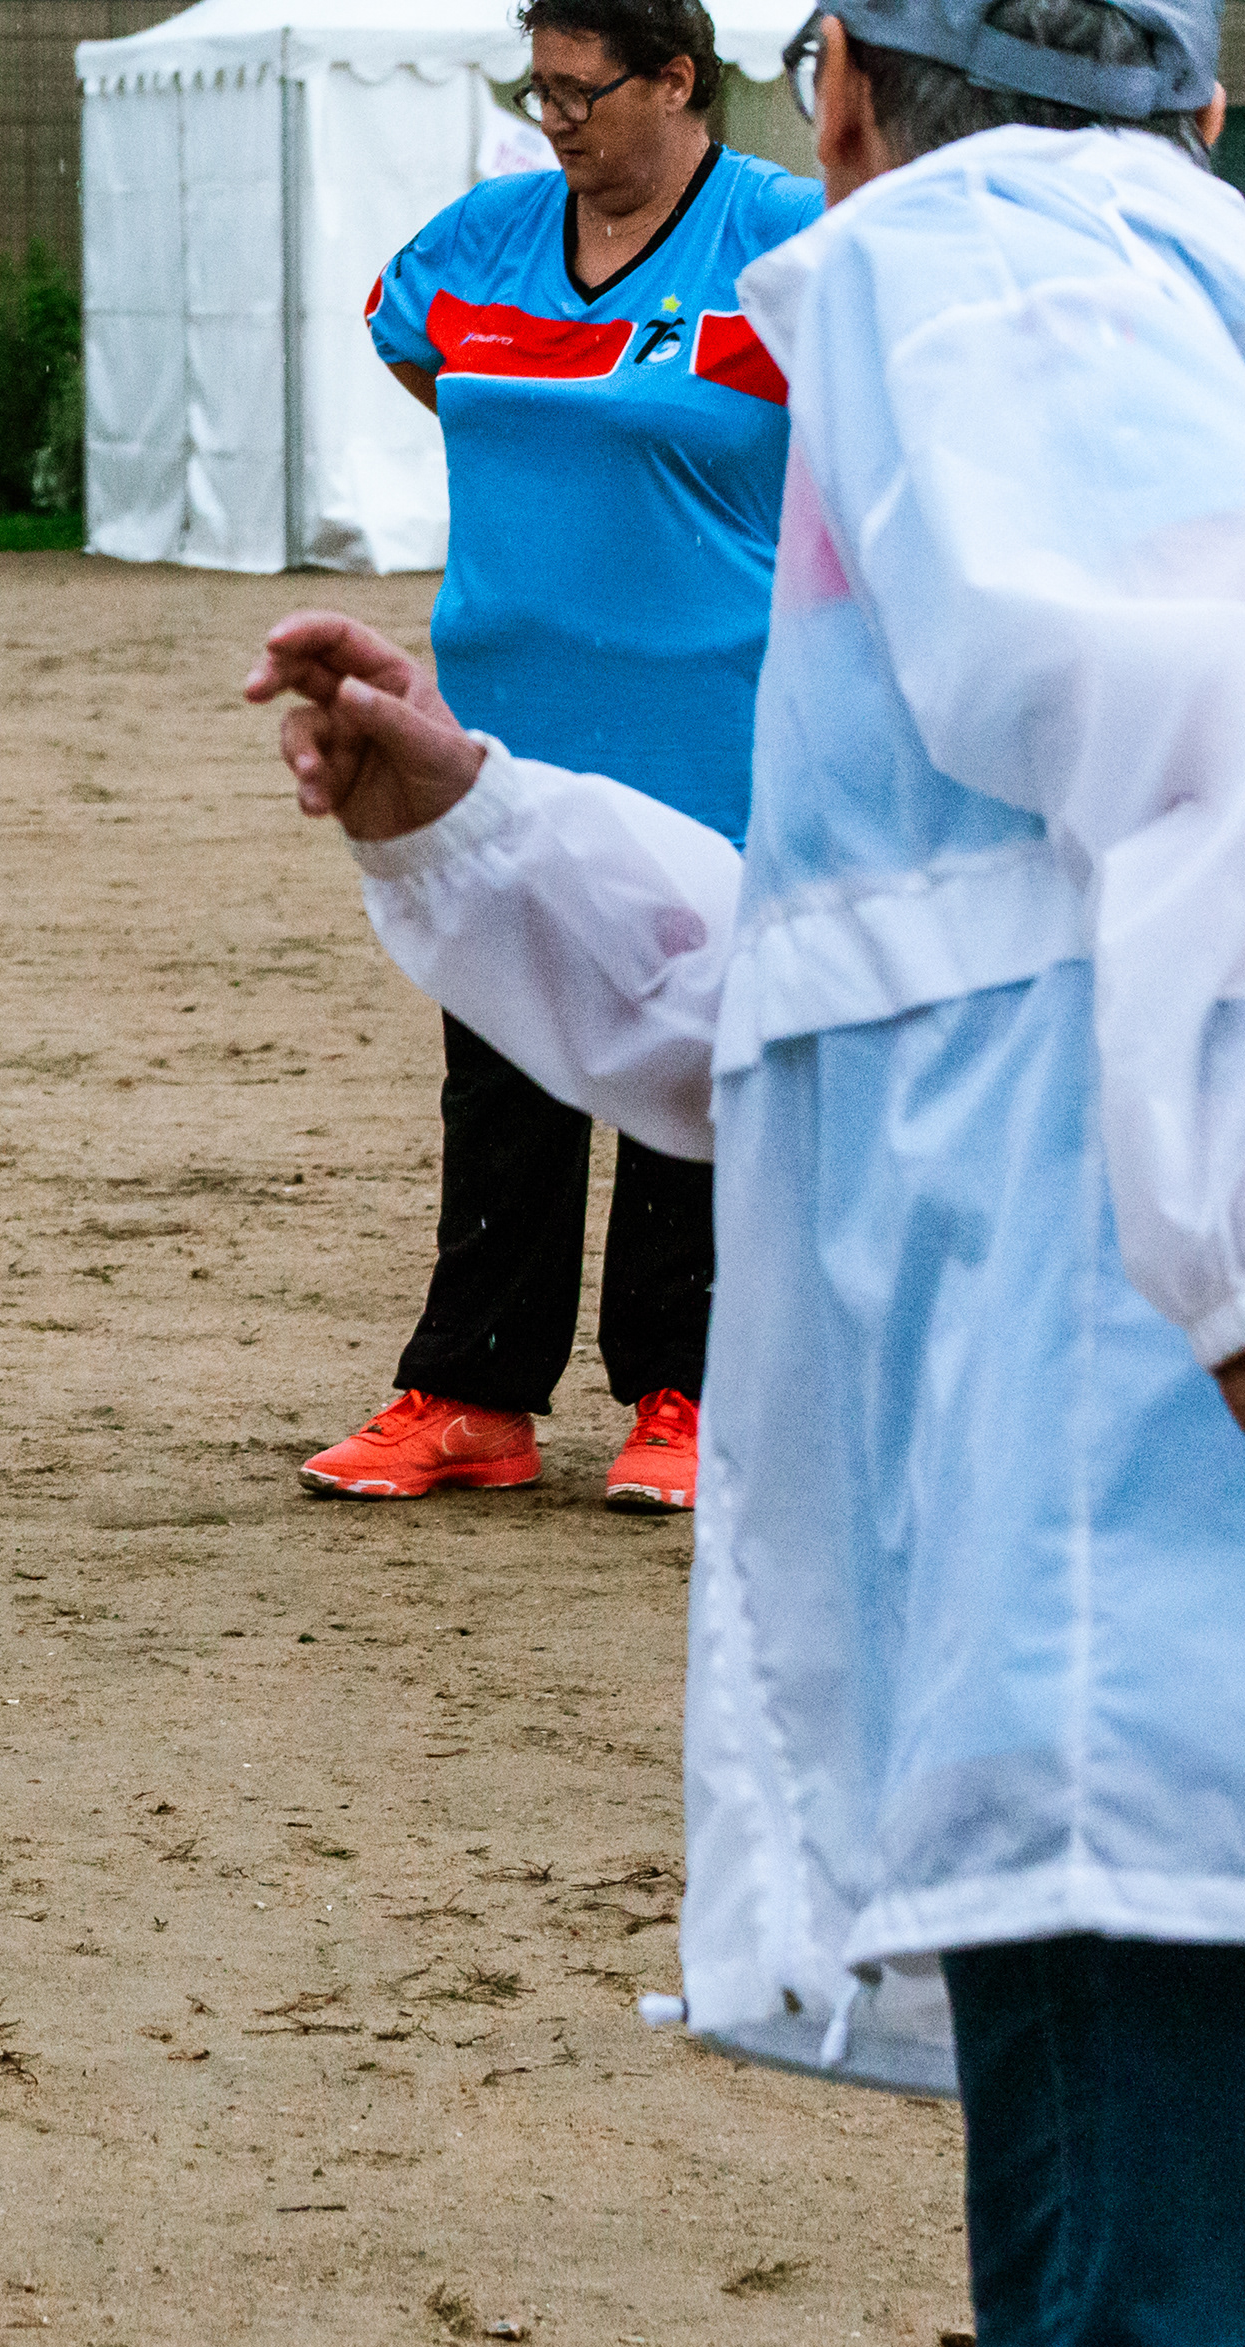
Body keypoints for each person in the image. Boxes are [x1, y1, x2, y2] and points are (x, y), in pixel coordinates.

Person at [249, 0, 1245, 2347]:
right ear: (1211, 111)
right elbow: (856, 989)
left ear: (845, 104)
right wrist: (486, 822)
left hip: (1177, 1620)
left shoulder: (968, 268)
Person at [301, 0, 825, 1515]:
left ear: (680, 79)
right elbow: (432, 363)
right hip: (510, 726)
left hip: (719, 731)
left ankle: (690, 1390)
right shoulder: (486, 237)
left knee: (695, 1043)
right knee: (505, 1041)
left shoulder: (785, 240)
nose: (559, 121)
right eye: (537, 92)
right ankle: (471, 1390)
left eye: (585, 91)